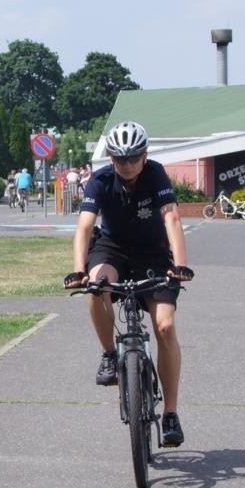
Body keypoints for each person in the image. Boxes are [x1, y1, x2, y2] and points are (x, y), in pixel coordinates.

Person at [63, 121, 194, 447]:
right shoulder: (100, 179)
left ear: (145, 155)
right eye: (120, 159)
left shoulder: (156, 174)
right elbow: (84, 228)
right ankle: (109, 354)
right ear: (111, 158)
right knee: (96, 286)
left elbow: (171, 218)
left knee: (164, 326)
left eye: (133, 157)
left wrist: (180, 264)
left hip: (153, 254)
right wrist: (79, 269)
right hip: (113, 249)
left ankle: (171, 414)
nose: (127, 165)